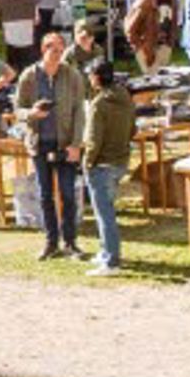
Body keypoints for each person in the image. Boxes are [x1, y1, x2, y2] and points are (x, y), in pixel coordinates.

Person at [13, 31, 92, 260]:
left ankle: (70, 241)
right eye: (52, 49)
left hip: (65, 142)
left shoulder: (72, 75)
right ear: (43, 50)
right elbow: (17, 109)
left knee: (68, 194)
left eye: (59, 50)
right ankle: (51, 241)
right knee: (45, 194)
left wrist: (76, 144)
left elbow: (80, 111)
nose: (56, 54)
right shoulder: (29, 76)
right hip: (40, 143)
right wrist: (32, 114)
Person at [80, 45, 136, 272]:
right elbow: (133, 129)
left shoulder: (99, 104)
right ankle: (105, 250)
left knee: (105, 215)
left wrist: (87, 162)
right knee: (108, 210)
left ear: (96, 77)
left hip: (101, 165)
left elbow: (94, 139)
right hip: (120, 161)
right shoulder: (126, 99)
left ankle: (111, 260)